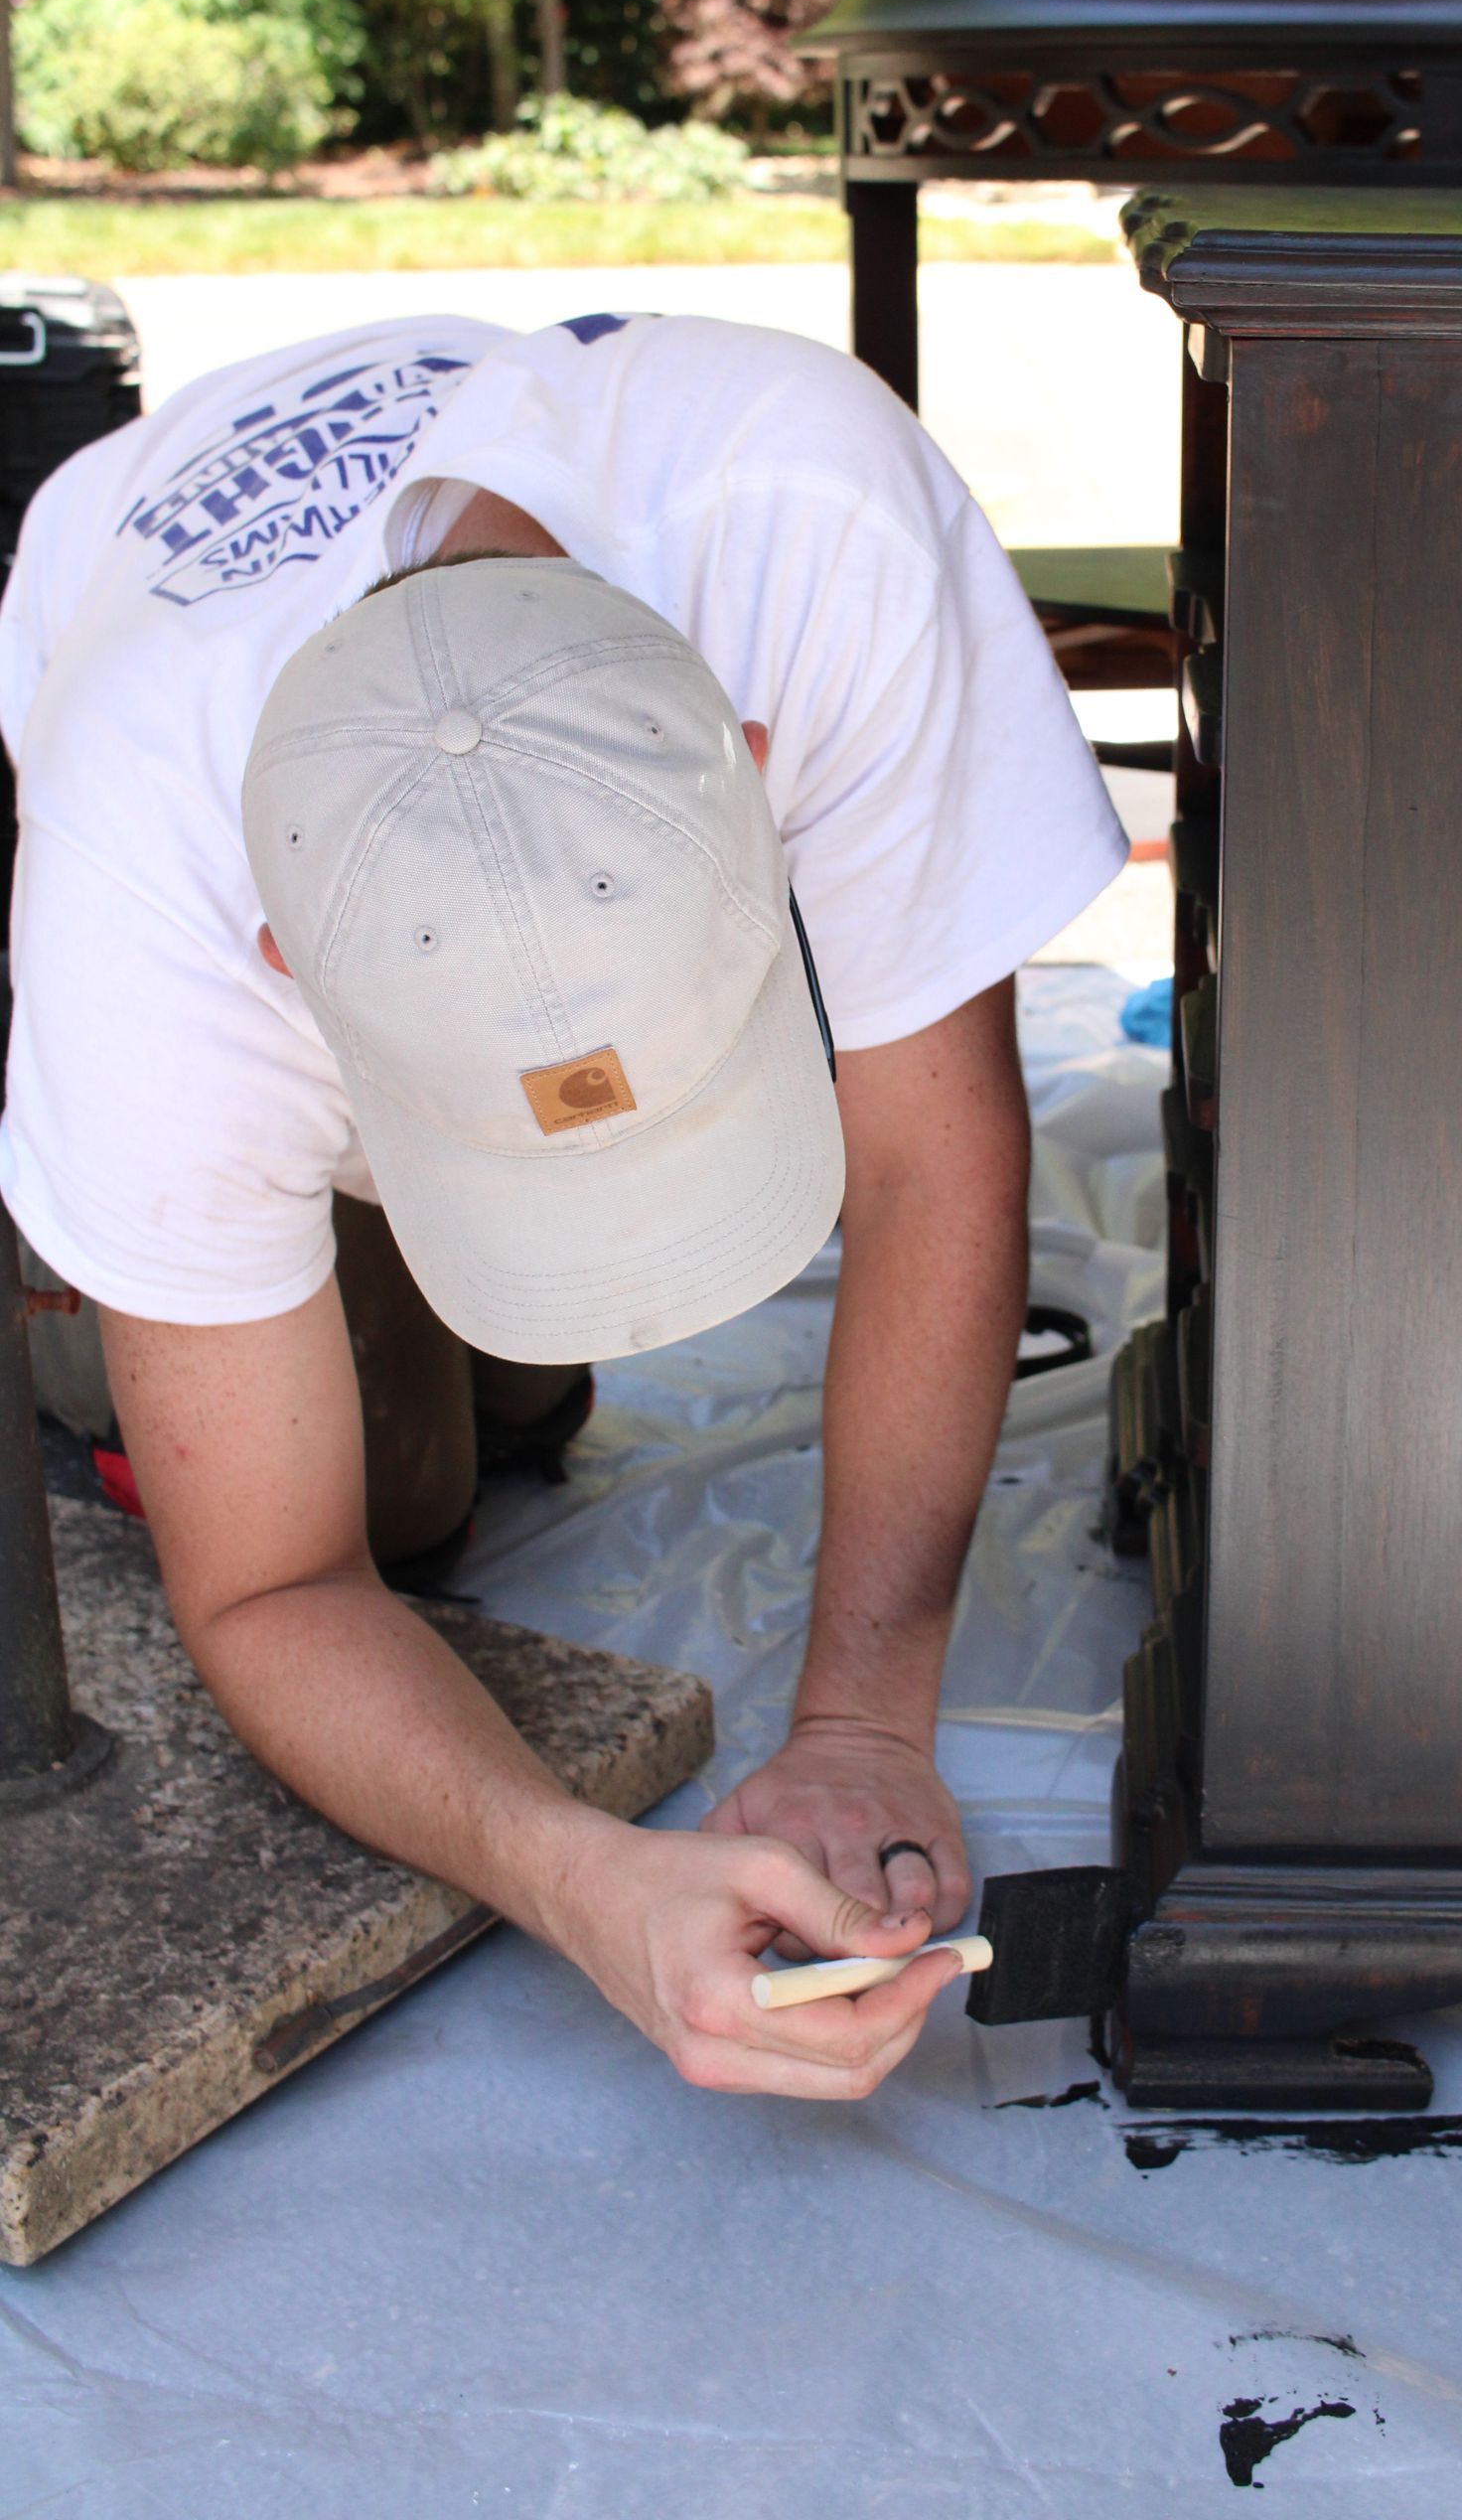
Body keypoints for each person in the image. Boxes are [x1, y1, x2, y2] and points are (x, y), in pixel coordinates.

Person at [0, 306, 1125, 2100]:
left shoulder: (812, 522)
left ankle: (481, 1317)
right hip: (128, 627)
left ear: (758, 776)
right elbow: (274, 1585)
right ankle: (88, 1327)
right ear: (292, 966)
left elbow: (929, 1157)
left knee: (514, 1402)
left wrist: (862, 1725)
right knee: (402, 1498)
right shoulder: (147, 934)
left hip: (663, 554)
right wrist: (584, 1883)